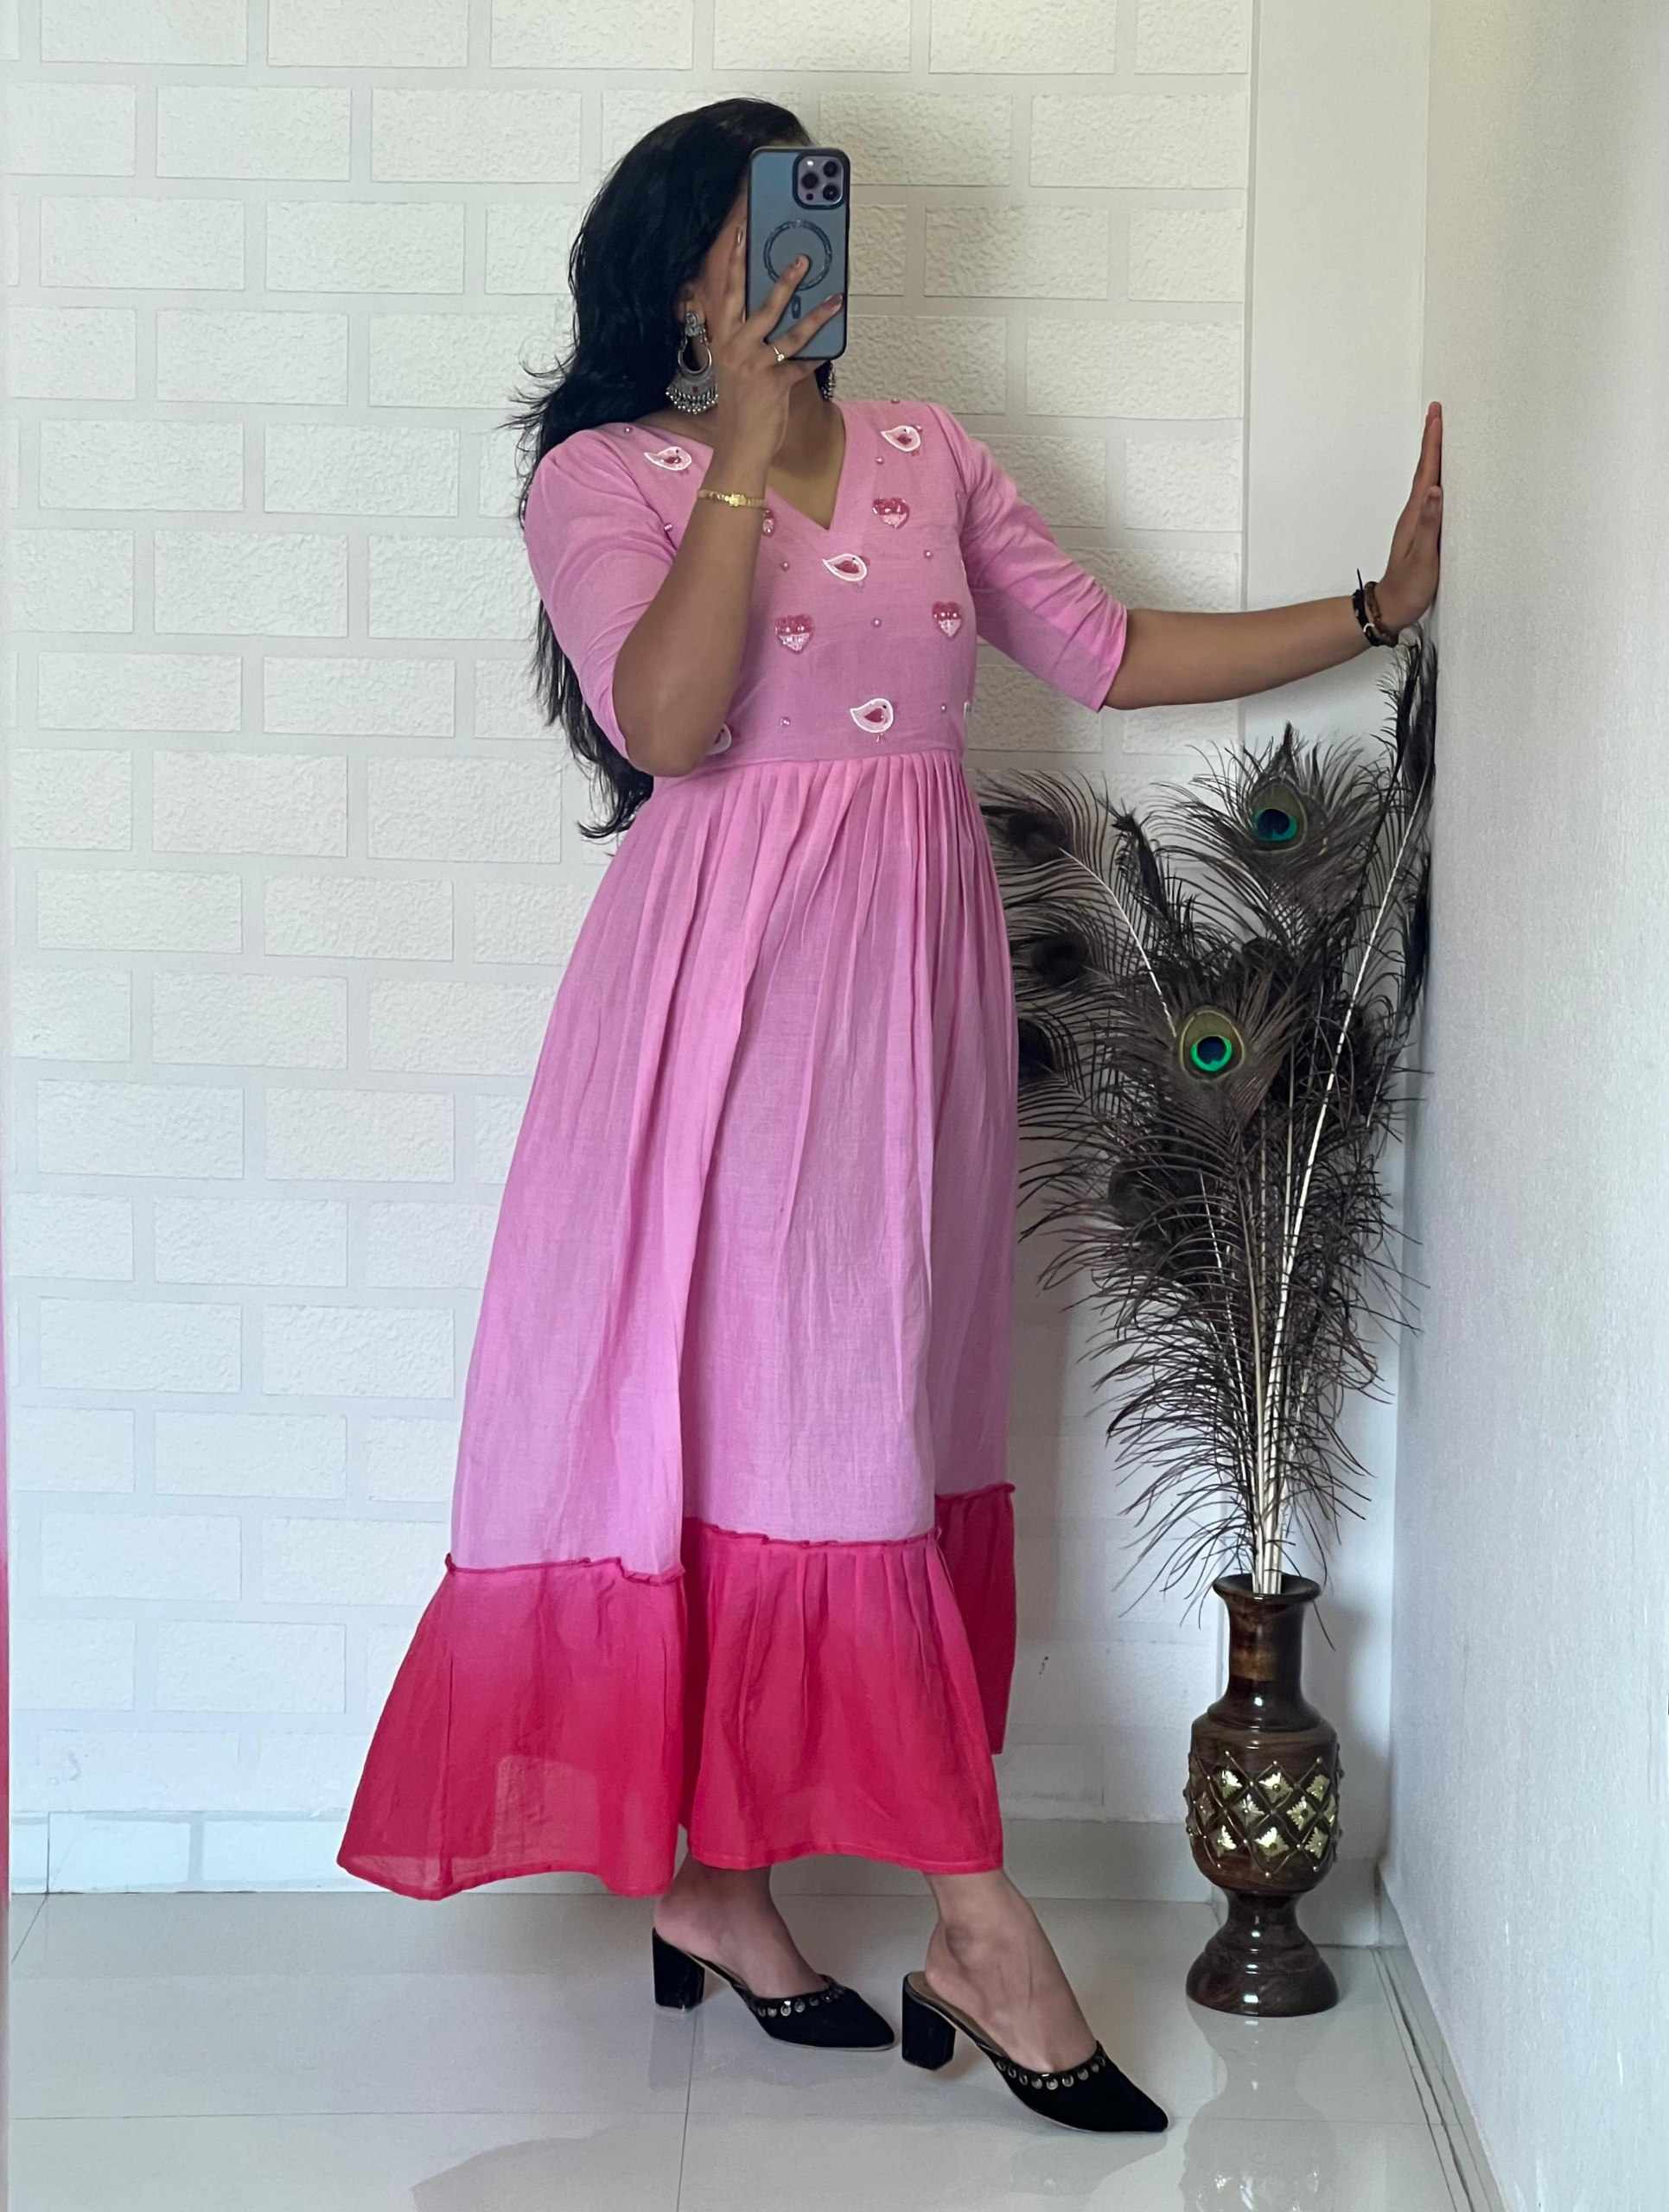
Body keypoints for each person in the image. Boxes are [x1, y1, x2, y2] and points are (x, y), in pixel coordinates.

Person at [337, 99, 1442, 2133]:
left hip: (910, 1005)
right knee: (778, 1417)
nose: (774, 263)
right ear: (669, 275)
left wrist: (1378, 608)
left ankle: (718, 1891)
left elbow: (1108, 650)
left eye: (796, 221)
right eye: (731, 233)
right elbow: (669, 720)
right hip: (722, 1010)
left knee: (846, 1422)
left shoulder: (934, 449)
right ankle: (977, 1921)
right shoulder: (604, 474)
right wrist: (745, 453)